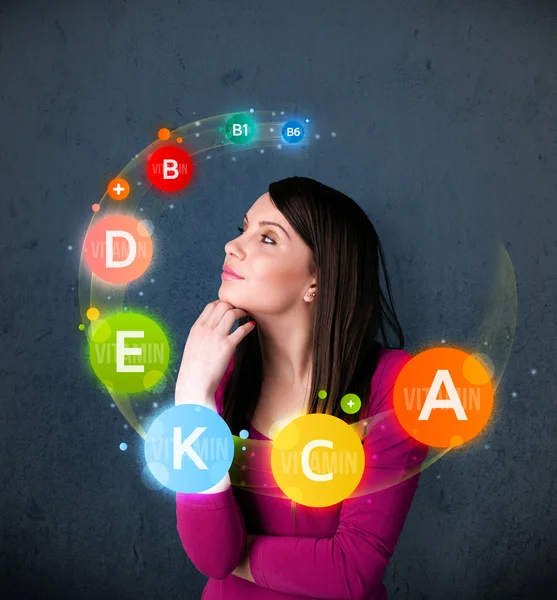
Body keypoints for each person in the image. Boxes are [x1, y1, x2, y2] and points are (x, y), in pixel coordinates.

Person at [174, 176, 429, 599]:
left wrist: (235, 552)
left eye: (268, 238)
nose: (233, 246)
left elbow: (349, 573)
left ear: (317, 280)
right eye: (243, 230)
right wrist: (192, 402)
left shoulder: (395, 385)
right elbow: (209, 558)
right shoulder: (216, 375)